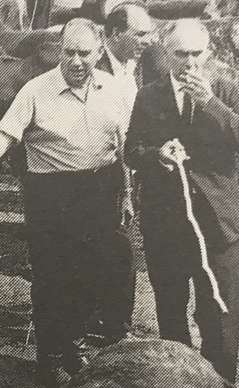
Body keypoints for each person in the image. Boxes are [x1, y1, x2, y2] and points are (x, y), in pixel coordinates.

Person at [0, 18, 132, 388]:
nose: (77, 61)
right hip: (52, 194)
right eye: (69, 52)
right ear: (58, 51)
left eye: (85, 53)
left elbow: (126, 146)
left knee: (92, 271)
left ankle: (75, 345)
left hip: (101, 189)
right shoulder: (36, 90)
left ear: (100, 52)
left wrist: (127, 193)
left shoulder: (117, 89)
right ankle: (49, 355)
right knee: (52, 277)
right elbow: (5, 134)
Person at [124, 19, 239, 387]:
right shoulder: (149, 94)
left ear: (208, 53)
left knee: (220, 318)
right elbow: (131, 151)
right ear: (166, 55)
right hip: (166, 224)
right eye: (180, 54)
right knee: (170, 315)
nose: (189, 63)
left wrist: (211, 104)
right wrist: (157, 154)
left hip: (219, 227)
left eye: (196, 54)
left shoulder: (225, 90)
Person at [83, 2, 154, 345]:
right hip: (97, 176)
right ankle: (115, 329)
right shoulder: (94, 71)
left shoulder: (130, 67)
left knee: (112, 248)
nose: (149, 40)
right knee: (117, 250)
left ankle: (103, 319)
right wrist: (125, 189)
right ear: (113, 34)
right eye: (140, 34)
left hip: (122, 171)